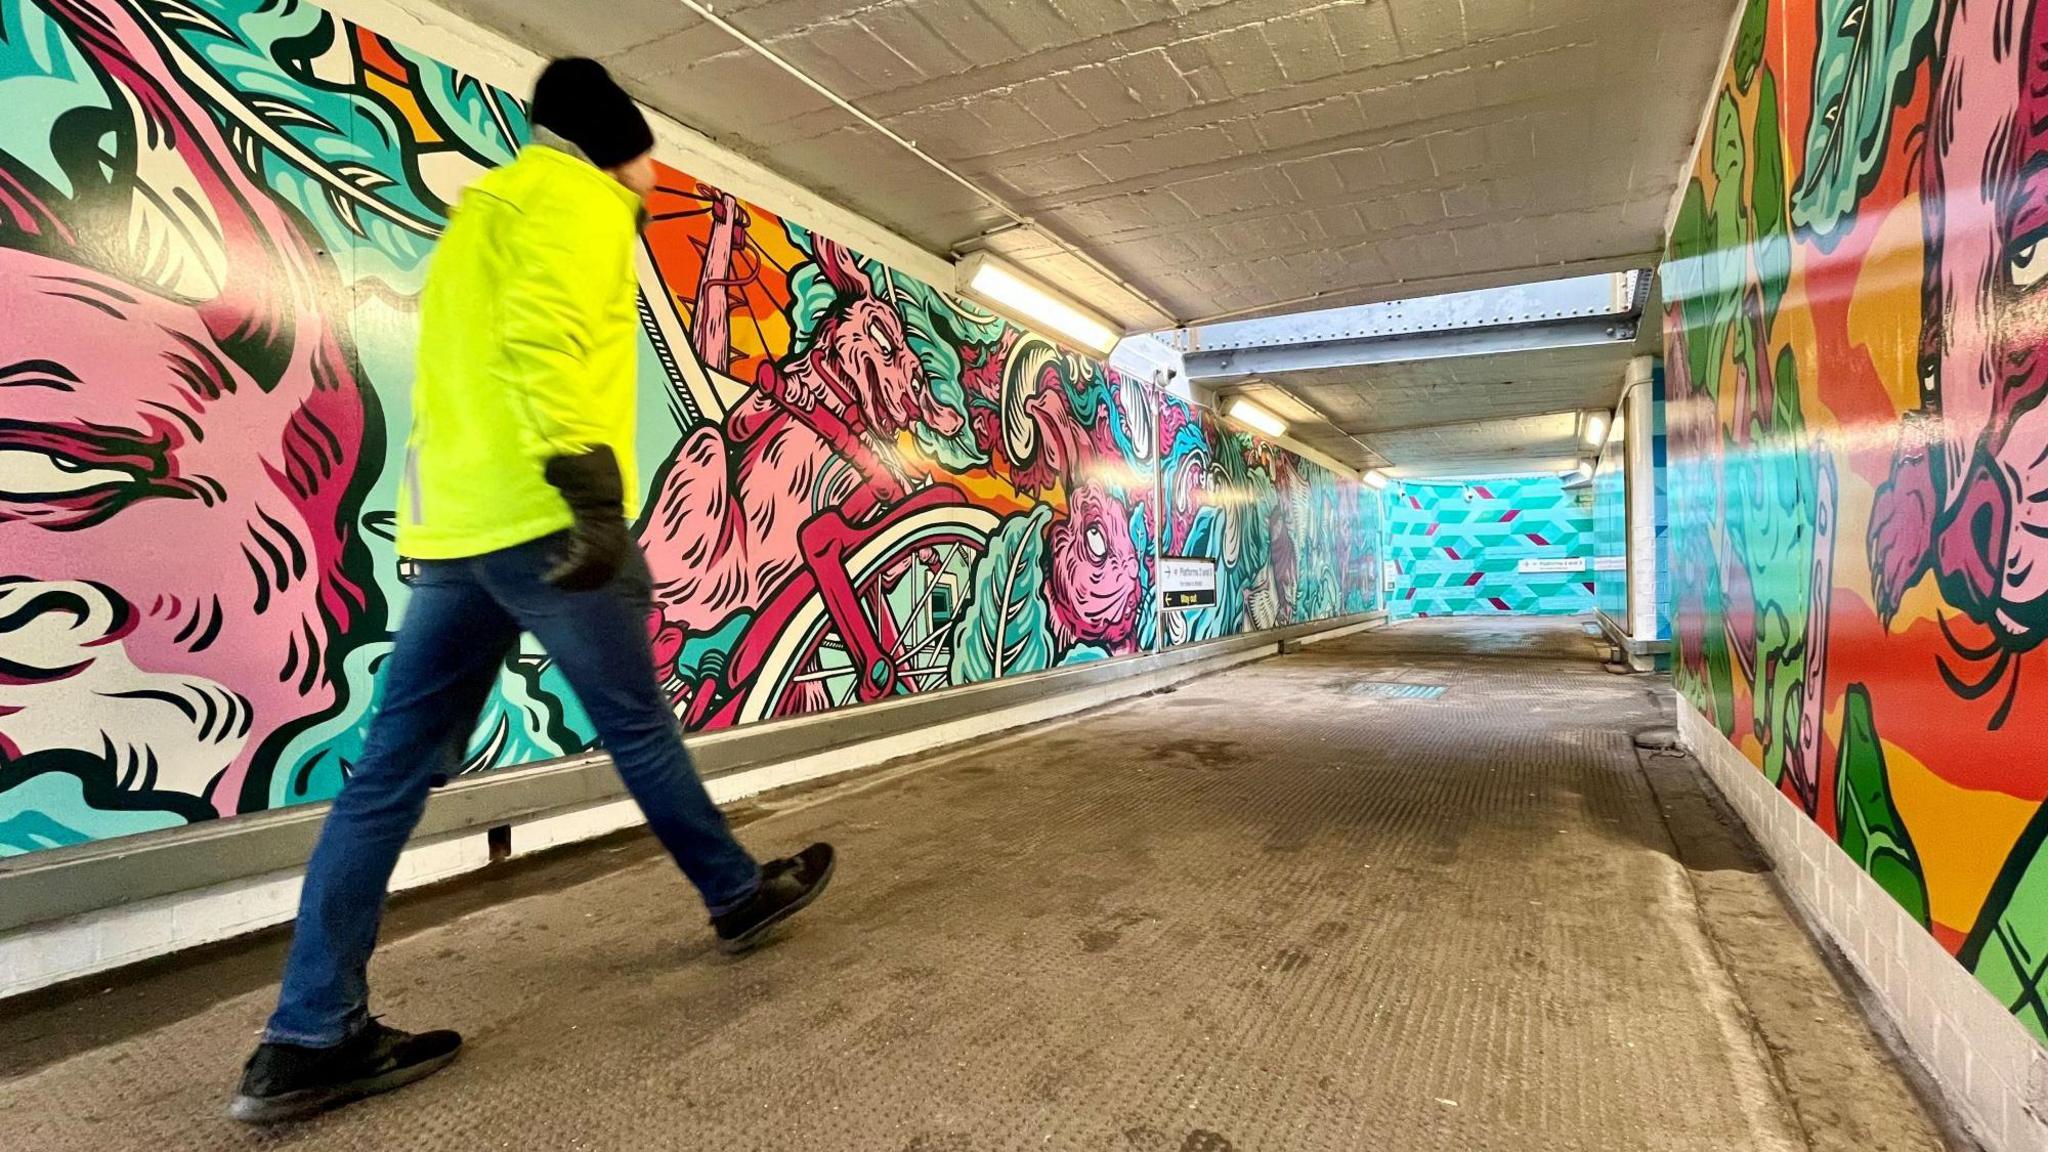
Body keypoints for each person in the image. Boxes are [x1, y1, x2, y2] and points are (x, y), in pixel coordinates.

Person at [229, 58, 834, 1125]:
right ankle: (736, 894)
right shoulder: (579, 201)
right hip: (547, 520)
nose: (653, 173)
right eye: (646, 152)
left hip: (457, 525)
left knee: (385, 778)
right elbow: (547, 342)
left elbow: (457, 368)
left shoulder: (481, 213)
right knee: (639, 727)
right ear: (618, 141)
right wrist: (591, 490)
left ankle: (306, 1034)